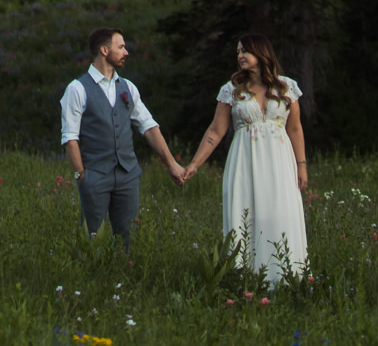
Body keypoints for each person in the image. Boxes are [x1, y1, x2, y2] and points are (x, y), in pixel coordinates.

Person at [178, 32, 308, 282]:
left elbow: (294, 128)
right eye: (237, 52)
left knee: (281, 213)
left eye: (244, 51)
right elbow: (216, 131)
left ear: (261, 53)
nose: (240, 56)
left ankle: (285, 277)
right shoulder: (232, 90)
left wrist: (302, 165)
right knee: (247, 215)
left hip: (279, 162)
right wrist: (194, 164)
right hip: (245, 161)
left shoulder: (285, 87)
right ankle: (246, 278)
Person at [60, 26, 185, 246]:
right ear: (104, 50)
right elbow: (70, 138)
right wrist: (82, 176)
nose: (126, 52)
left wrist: (171, 163)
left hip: (127, 176)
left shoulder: (128, 88)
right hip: (94, 176)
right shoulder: (77, 89)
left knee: (128, 239)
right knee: (92, 240)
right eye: (121, 47)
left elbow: (149, 127)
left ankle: (123, 278)